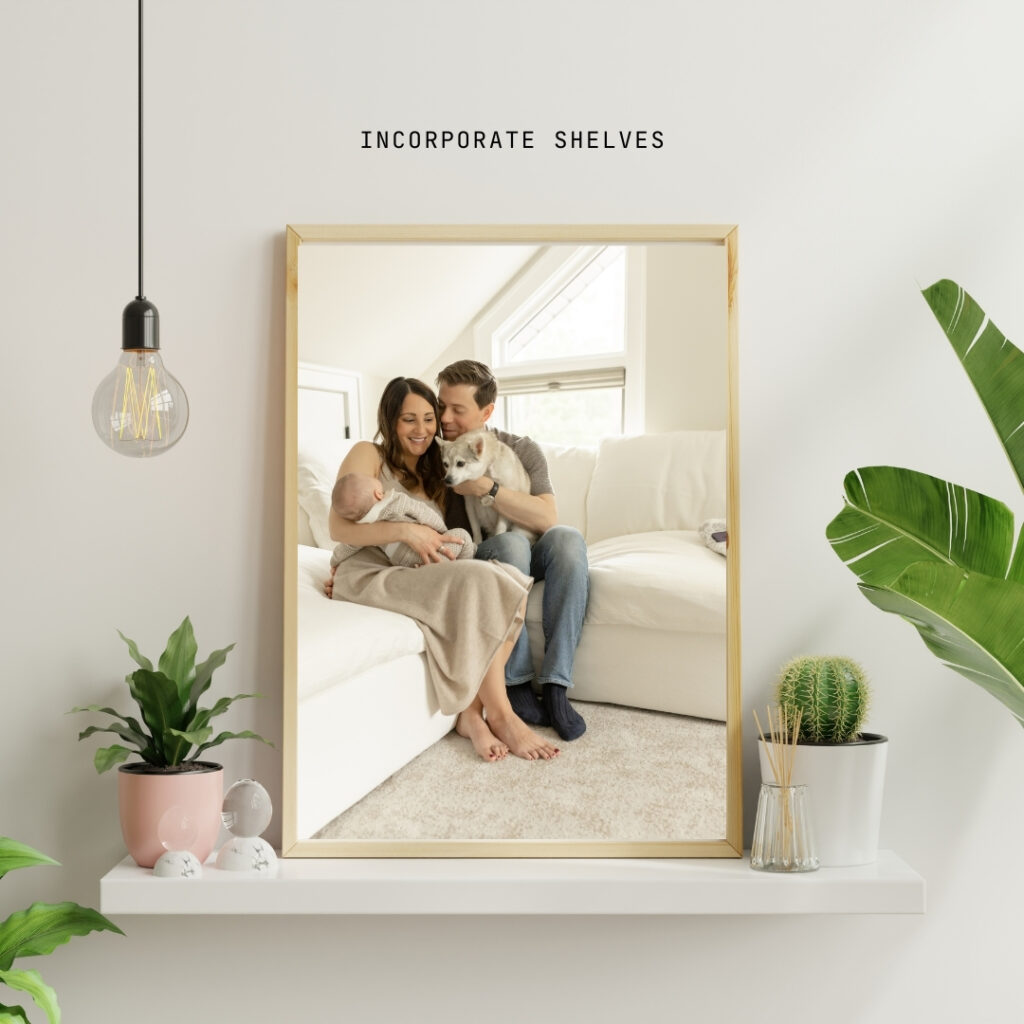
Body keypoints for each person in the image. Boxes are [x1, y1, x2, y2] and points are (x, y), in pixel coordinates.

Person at [327, 376, 559, 763]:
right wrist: (406, 531)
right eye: (408, 420)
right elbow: (338, 526)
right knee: (481, 579)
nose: (421, 430)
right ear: (390, 420)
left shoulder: (442, 467)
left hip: (414, 570)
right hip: (371, 570)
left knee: (507, 580)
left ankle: (470, 715)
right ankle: (501, 715)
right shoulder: (368, 453)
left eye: (428, 419)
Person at [436, 360, 590, 741]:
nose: (444, 417)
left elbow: (546, 516)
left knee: (568, 539)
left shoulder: (521, 448)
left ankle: (556, 685)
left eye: (458, 408)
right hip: (488, 550)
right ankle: (515, 681)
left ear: (486, 412)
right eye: (442, 405)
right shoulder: (438, 456)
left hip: (531, 542)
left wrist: (488, 489)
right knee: (510, 543)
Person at [330, 471, 476, 568]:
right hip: (429, 553)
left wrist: (334, 563)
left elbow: (346, 548)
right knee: (463, 537)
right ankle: (468, 564)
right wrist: (441, 532)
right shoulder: (395, 502)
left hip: (401, 563)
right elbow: (423, 513)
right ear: (378, 494)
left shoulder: (363, 528)